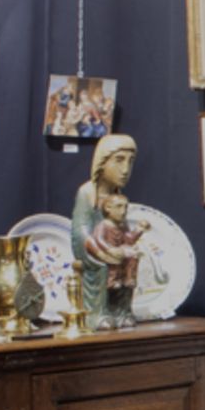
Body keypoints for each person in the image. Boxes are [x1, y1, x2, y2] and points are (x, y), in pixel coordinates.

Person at [70, 134, 137, 322]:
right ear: (102, 161)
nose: (125, 170)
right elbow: (80, 231)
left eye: (130, 162)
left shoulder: (118, 197)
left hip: (112, 250)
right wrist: (102, 252)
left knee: (130, 260)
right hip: (93, 254)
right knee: (105, 266)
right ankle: (98, 315)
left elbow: (123, 231)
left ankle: (122, 312)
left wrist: (130, 242)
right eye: (119, 161)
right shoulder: (87, 192)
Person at [85, 192, 147, 329]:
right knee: (114, 261)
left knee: (133, 253)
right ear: (108, 208)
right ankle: (112, 281)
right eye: (119, 207)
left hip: (121, 253)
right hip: (110, 254)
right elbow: (99, 240)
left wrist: (139, 230)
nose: (123, 211)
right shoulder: (104, 225)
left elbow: (129, 239)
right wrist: (109, 249)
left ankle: (129, 279)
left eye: (125, 207)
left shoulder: (122, 225)